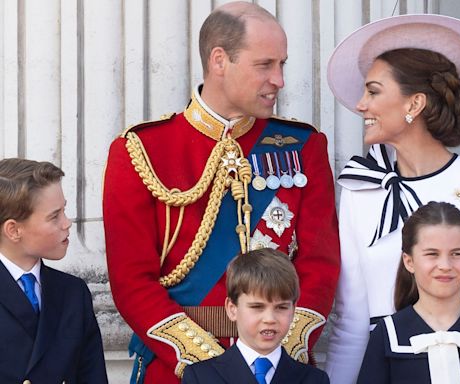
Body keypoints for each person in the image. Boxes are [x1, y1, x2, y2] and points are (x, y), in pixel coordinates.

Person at [103, 2, 340, 382]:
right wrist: (213, 366)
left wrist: (275, 353)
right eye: (265, 65)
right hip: (179, 369)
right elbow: (131, 282)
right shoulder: (142, 150)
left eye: (282, 64)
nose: (279, 79)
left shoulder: (301, 146)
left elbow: (320, 265)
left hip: (277, 365)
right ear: (219, 61)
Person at [324, 13, 460, 383]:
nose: (361, 105)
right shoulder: (361, 190)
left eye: (373, 91)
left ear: (414, 104)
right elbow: (351, 325)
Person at [357, 201, 460, 383]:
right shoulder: (388, 334)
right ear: (409, 261)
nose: (445, 266)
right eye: (432, 254)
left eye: (456, 254)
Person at [0, 158, 108, 383]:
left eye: (64, 210)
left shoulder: (73, 293)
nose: (67, 223)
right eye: (54, 216)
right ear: (13, 230)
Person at [181, 248, 330, 383]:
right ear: (232, 309)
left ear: (293, 310)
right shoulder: (200, 377)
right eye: (257, 307)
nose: (270, 319)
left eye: (281, 307)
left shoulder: (315, 379)